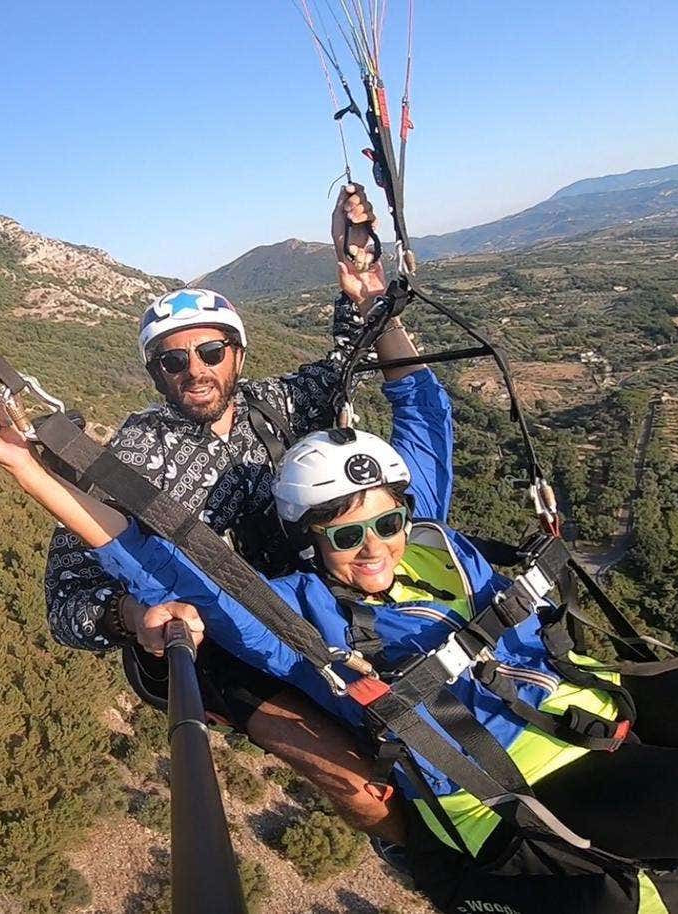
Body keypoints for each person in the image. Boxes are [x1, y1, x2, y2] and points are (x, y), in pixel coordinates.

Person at [0, 259, 678, 914]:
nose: (370, 544)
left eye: (382, 520)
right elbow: (143, 552)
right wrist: (29, 466)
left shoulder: (434, 539)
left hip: (599, 700)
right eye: (341, 531)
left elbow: (418, 410)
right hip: (542, 784)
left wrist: (377, 304)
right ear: (309, 539)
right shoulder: (297, 618)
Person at [41, 188, 412, 843]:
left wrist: (360, 284)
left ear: (237, 354)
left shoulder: (274, 405)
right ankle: (419, 852)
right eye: (173, 361)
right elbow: (68, 592)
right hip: (222, 640)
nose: (195, 371)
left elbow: (345, 361)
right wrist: (130, 617)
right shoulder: (136, 455)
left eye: (210, 352)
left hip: (313, 598)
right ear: (156, 374)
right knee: (354, 779)